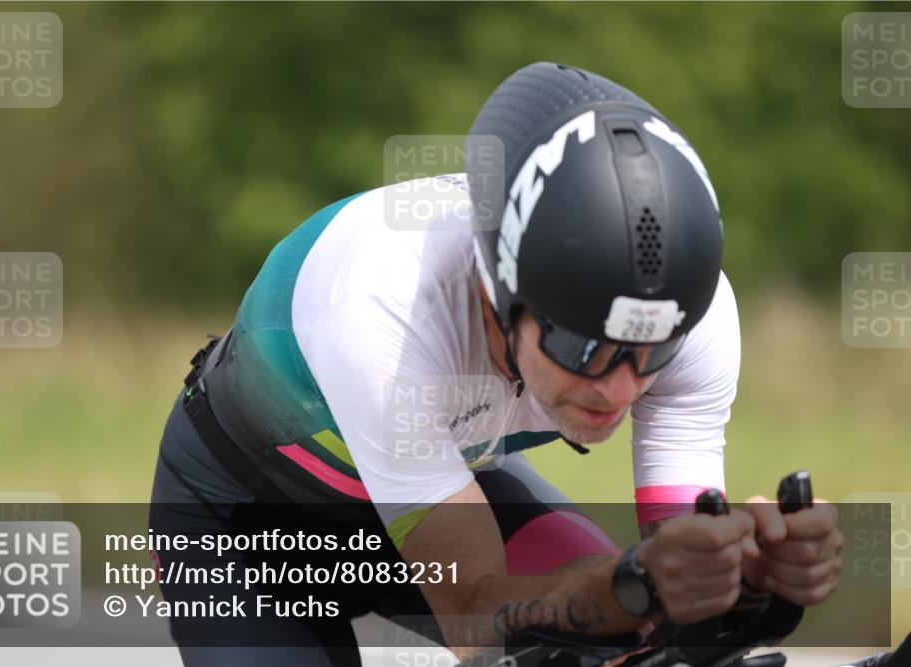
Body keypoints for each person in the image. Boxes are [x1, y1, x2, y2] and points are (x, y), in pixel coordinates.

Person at [148, 62, 844, 666]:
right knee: (599, 605)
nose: (621, 387)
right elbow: (476, 620)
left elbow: (681, 574)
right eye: (582, 347)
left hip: (429, 482)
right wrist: (637, 586)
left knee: (626, 646)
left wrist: (748, 575)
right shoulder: (387, 309)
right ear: (495, 294)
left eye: (651, 354)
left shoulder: (690, 308)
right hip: (243, 521)